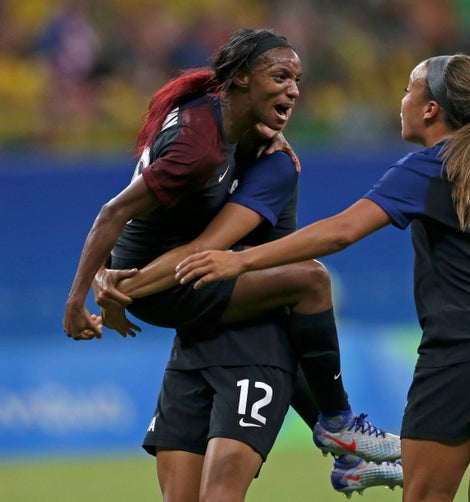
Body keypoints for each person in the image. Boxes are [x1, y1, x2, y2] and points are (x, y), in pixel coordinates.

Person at [174, 53, 470, 501]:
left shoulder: (429, 167)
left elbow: (341, 231)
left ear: (430, 108)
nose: (401, 100)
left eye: (408, 90)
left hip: (467, 354)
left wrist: (241, 261)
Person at [63, 28, 399, 501]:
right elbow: (190, 246)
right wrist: (95, 289)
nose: (294, 91)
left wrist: (110, 282)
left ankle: (344, 445)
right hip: (184, 295)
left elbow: (180, 240)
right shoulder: (203, 146)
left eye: (297, 80)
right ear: (240, 80)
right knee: (309, 280)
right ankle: (342, 430)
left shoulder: (260, 154)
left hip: (205, 323)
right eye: (280, 76)